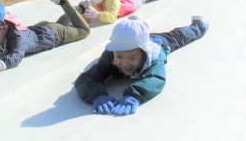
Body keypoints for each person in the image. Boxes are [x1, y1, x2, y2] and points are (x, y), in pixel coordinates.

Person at [74, 16, 208, 116]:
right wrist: (96, 95)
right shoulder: (110, 55)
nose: (125, 64)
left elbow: (155, 78)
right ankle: (136, 24)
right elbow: (87, 78)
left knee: (179, 36)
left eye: (132, 57)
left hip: (159, 41)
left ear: (143, 54)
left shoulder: (154, 57)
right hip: (140, 41)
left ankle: (199, 25)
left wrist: (135, 95)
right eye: (119, 56)